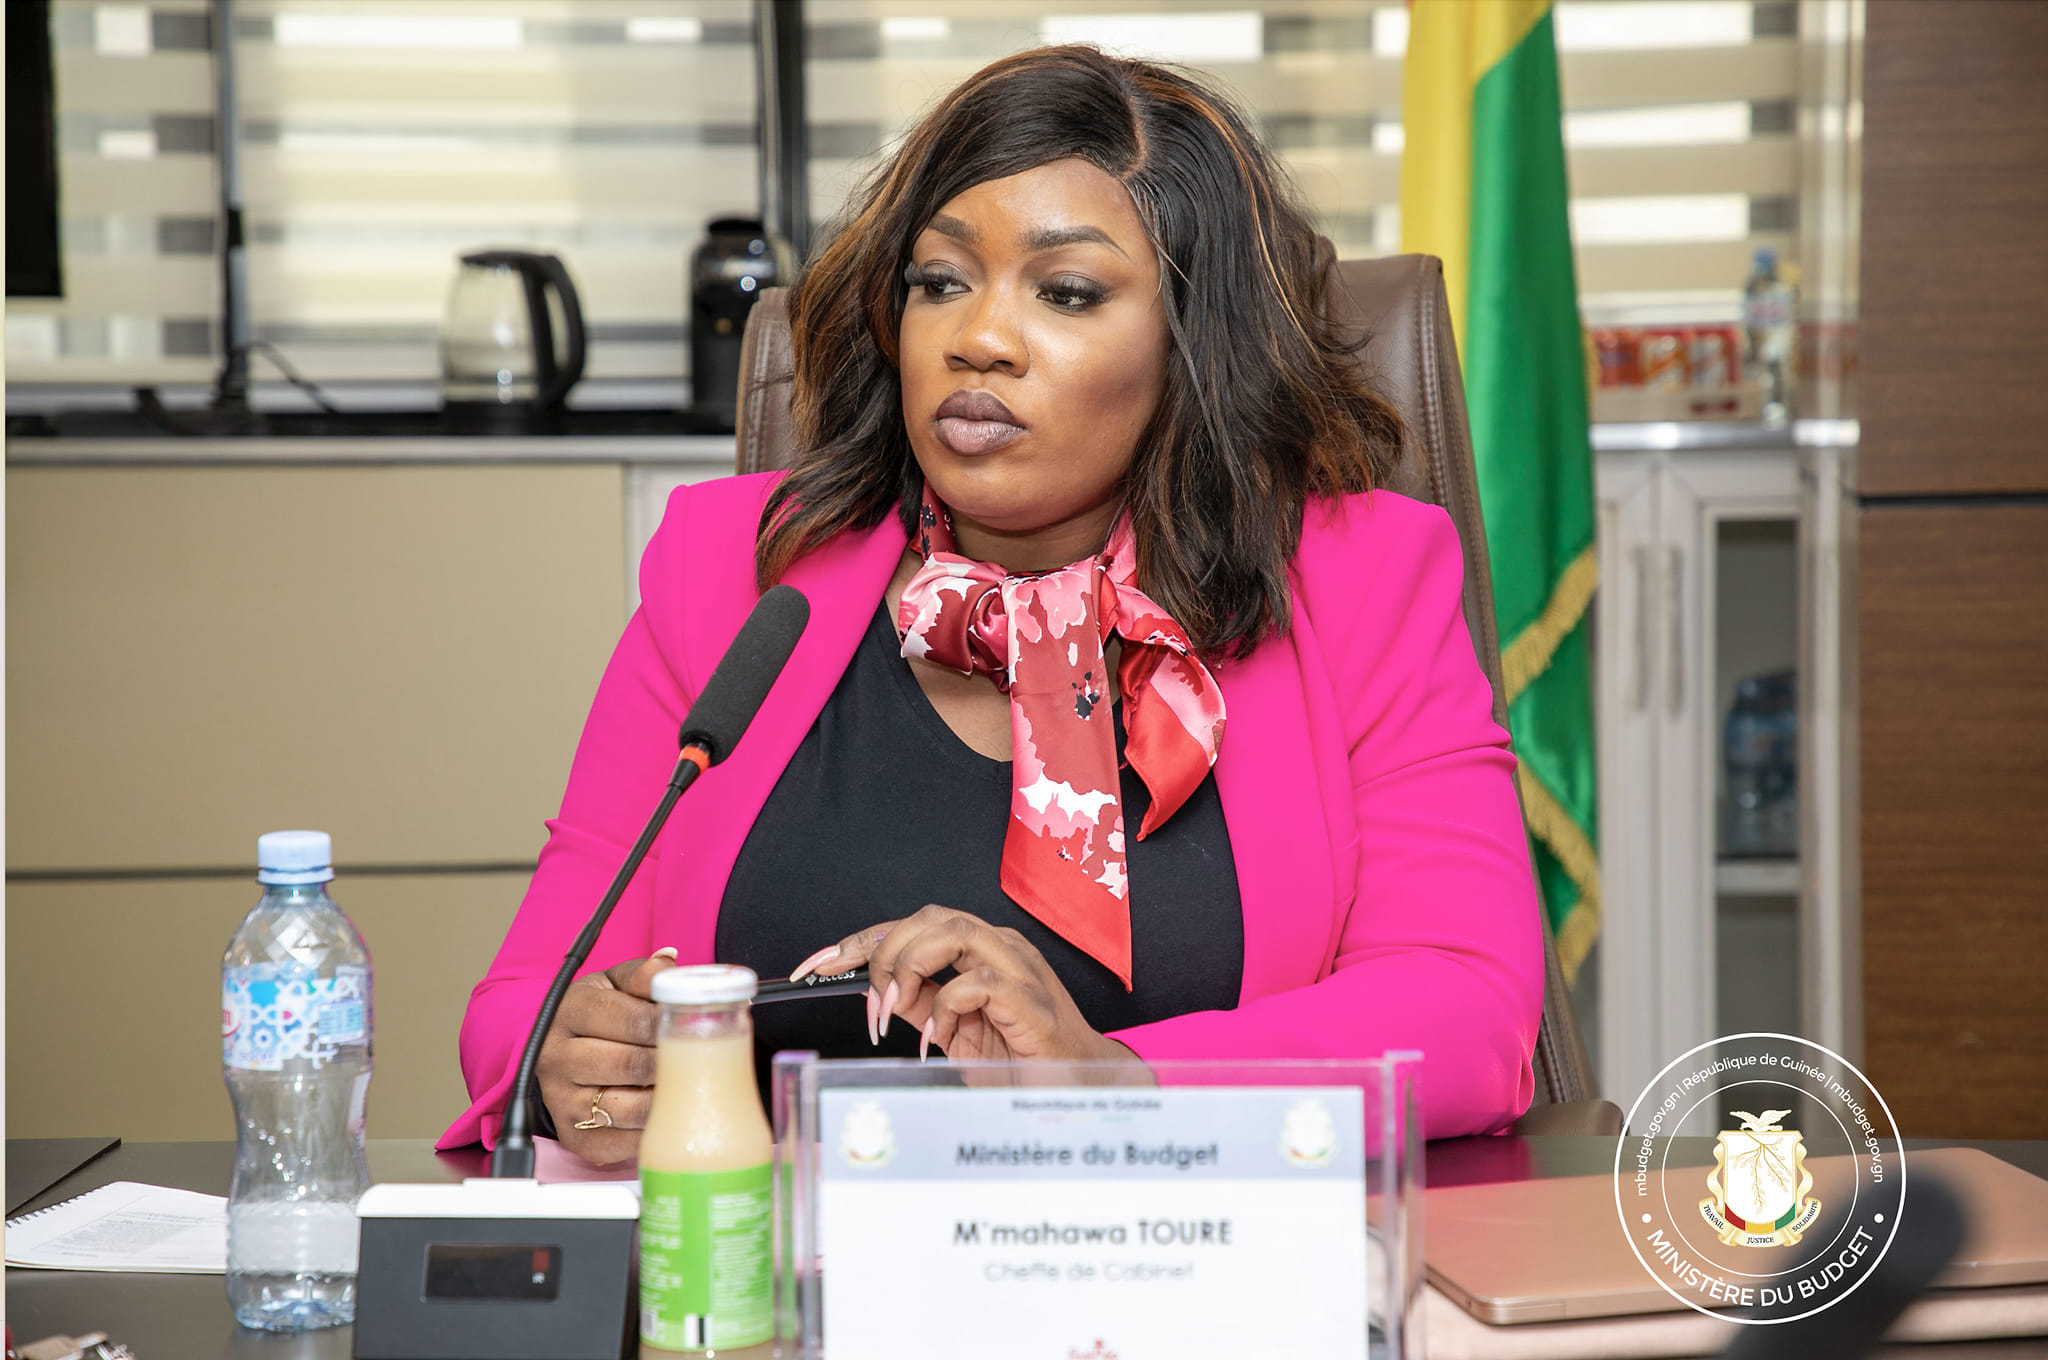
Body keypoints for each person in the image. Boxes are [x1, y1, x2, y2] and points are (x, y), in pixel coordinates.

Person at [442, 46, 1543, 1166]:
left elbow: (1468, 1010)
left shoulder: (1360, 581)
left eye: (1066, 292)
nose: (976, 337)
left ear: (1192, 344)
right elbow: (524, 1001)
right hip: (785, 1255)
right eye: (939, 281)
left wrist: (1112, 1083)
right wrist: (569, 1068)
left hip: (1191, 1246)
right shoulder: (738, 571)